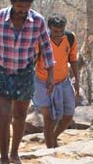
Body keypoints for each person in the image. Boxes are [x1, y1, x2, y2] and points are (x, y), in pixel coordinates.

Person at [0, 0, 55, 164]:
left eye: (27, 6)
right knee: (4, 113)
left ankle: (14, 154)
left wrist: (50, 75)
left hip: (24, 72)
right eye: (19, 6)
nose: (23, 10)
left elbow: (46, 48)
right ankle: (3, 159)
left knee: (19, 116)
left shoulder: (38, 21)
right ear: (12, 3)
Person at [32, 14, 81, 148]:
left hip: (63, 81)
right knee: (49, 119)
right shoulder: (41, 40)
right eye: (55, 31)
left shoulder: (70, 38)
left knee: (68, 116)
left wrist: (77, 79)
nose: (58, 34)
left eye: (61, 31)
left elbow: (73, 59)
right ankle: (50, 149)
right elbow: (33, 59)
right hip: (43, 82)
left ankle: (52, 138)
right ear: (49, 28)